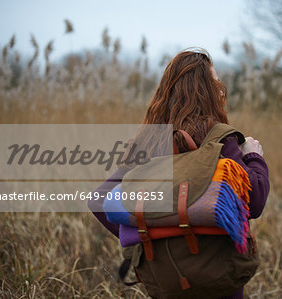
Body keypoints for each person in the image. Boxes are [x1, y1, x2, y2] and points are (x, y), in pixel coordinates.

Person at [88, 49, 269, 298]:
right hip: (218, 276)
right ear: (203, 90)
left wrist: (148, 236)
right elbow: (255, 201)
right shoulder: (218, 138)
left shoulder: (148, 142)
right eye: (215, 83)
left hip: (165, 276)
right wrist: (253, 157)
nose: (220, 91)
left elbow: (99, 200)